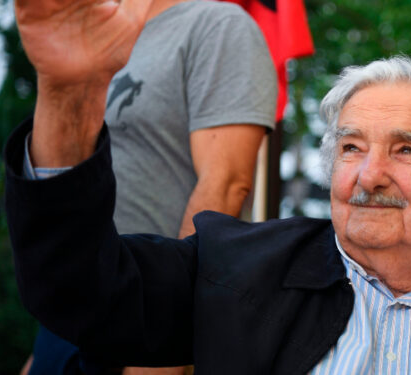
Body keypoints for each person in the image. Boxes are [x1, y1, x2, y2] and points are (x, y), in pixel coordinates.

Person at [6, 1, 411, 372]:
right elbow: (78, 288)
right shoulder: (234, 270)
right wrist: (67, 93)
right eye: (350, 147)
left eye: (405, 150)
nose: (368, 176)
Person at [21, 0, 277, 374]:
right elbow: (62, 187)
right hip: (66, 323)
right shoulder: (90, 31)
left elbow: (225, 187)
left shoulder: (217, 24)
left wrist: (163, 356)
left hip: (142, 327)